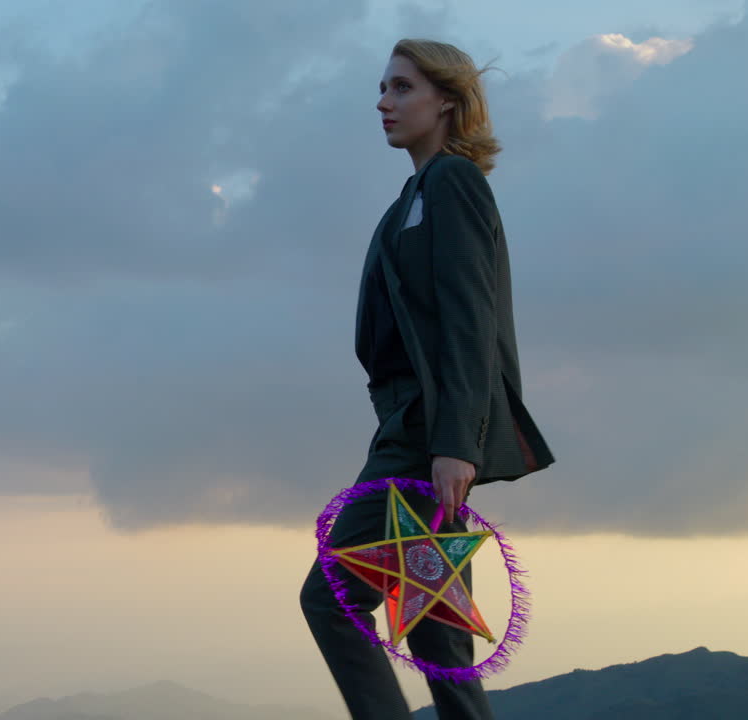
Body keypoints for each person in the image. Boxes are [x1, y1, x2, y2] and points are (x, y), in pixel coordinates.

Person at [299, 38, 556, 720]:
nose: (383, 103)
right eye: (381, 89)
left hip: (424, 435)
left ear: (448, 99)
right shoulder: (411, 196)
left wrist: (457, 441)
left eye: (401, 88)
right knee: (435, 633)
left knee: (331, 595)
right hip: (411, 426)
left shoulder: (453, 182)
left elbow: (470, 318)